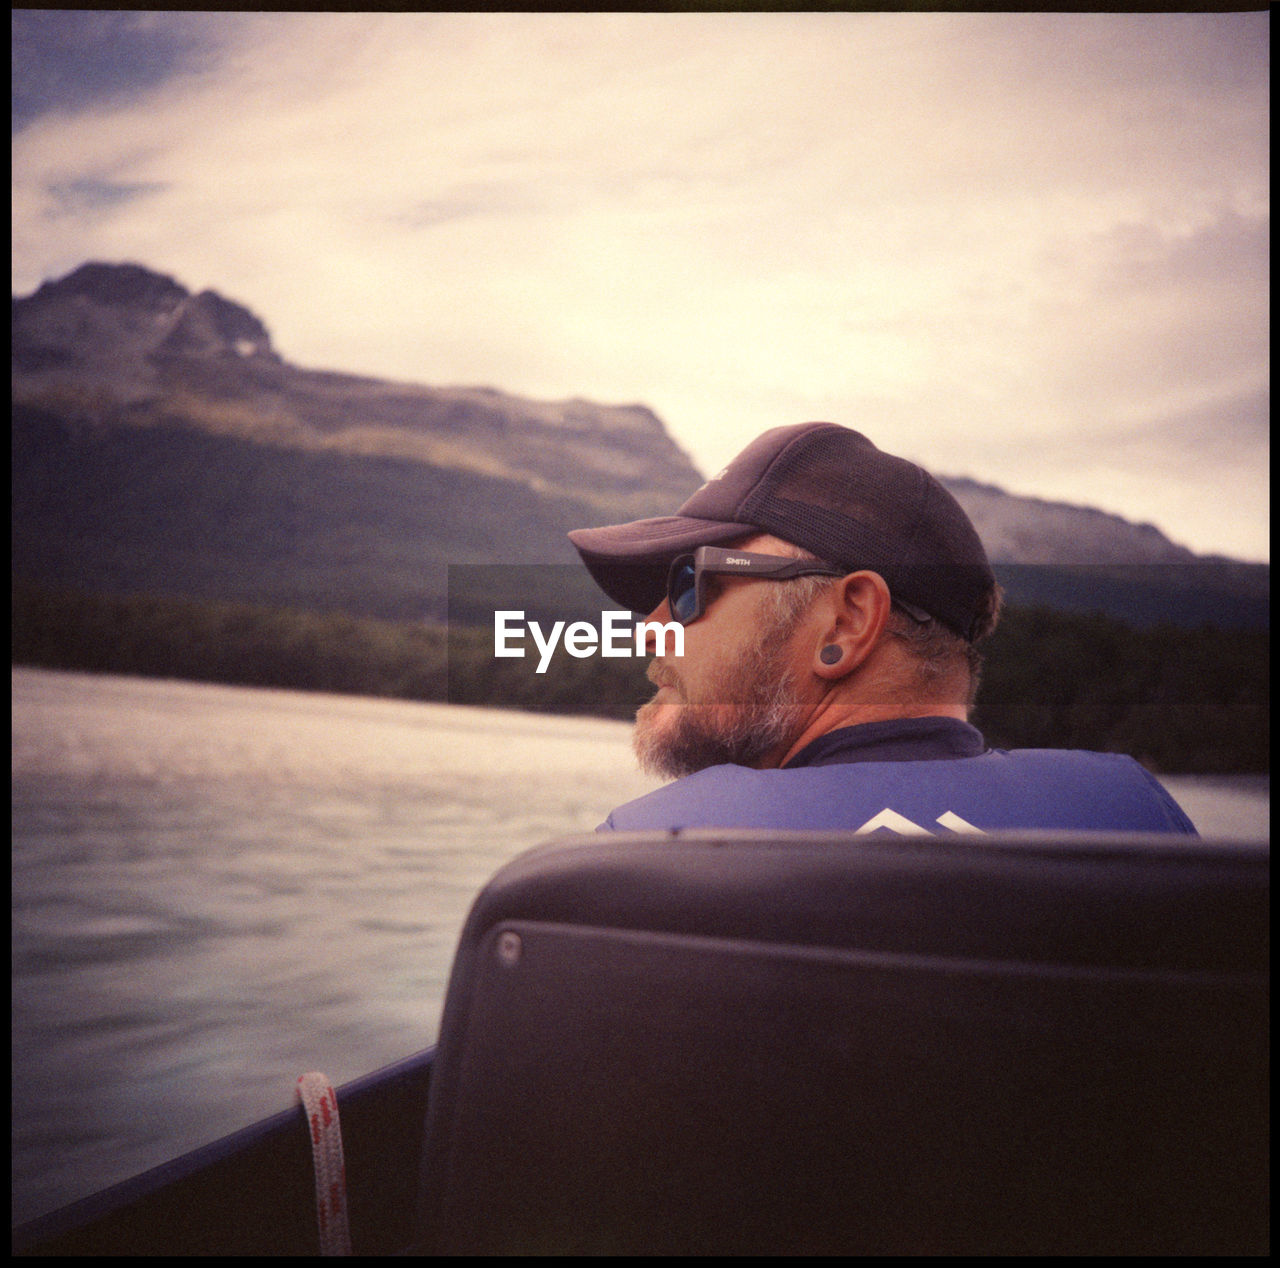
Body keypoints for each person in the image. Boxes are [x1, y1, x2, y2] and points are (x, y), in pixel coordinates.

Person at [568, 422, 1196, 835]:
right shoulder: (1132, 818)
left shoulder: (652, 849)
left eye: (686, 585)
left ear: (846, 622)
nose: (651, 630)